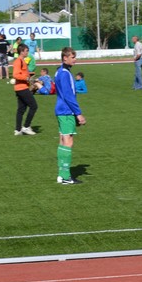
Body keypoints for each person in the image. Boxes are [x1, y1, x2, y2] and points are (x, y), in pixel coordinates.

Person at [54, 47, 85, 184]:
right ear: (65, 58)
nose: (75, 60)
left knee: (62, 140)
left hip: (61, 109)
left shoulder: (59, 71)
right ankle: (65, 176)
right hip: (66, 111)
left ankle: (62, 174)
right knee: (68, 141)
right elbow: (68, 95)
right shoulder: (65, 73)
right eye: (73, 57)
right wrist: (78, 113)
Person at [13, 44, 37, 136]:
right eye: (26, 51)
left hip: (21, 88)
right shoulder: (18, 61)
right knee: (34, 106)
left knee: (21, 109)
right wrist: (27, 78)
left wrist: (30, 79)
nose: (28, 52)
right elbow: (16, 74)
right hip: (22, 88)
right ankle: (26, 126)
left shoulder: (22, 61)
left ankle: (18, 130)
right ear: (22, 51)